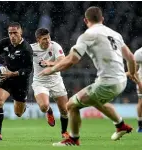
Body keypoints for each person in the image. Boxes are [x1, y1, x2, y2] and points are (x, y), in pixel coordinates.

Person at [39, 6, 136, 146]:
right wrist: (132, 74)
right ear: (102, 19)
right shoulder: (115, 34)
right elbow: (131, 58)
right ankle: (120, 125)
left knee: (71, 105)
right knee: (94, 100)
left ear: (85, 20)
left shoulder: (87, 35)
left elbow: (72, 60)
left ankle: (73, 139)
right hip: (121, 81)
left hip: (107, 83)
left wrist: (52, 69)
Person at [0, 22, 33, 140]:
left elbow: (28, 69)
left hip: (21, 82)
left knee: (18, 113)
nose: (12, 36)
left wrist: (12, 73)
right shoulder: (3, 43)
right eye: (10, 33)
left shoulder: (26, 48)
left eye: (15, 33)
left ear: (20, 33)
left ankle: (23, 103)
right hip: (7, 78)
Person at [31, 28, 69, 138]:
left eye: (48, 37)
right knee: (43, 106)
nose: (48, 40)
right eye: (44, 39)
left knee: (64, 110)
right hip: (40, 81)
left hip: (56, 81)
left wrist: (49, 63)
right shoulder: (31, 49)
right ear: (38, 39)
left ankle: (64, 132)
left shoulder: (55, 46)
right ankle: (49, 111)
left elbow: (63, 60)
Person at [133, 47, 142, 132]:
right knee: (141, 102)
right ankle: (140, 125)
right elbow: (134, 71)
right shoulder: (139, 53)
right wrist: (139, 83)